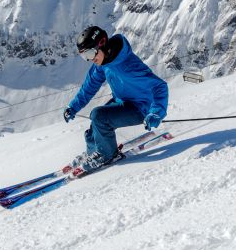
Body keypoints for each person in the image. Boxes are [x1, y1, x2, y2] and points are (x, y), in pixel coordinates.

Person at [62, 26, 169, 175]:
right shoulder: (103, 63)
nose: (90, 59)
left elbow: (160, 86)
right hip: (123, 101)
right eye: (85, 56)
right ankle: (94, 151)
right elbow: (89, 87)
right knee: (96, 124)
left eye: (91, 53)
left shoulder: (128, 66)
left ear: (103, 43)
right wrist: (72, 107)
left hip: (141, 108)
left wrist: (156, 113)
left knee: (99, 116)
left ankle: (107, 155)